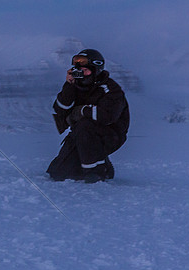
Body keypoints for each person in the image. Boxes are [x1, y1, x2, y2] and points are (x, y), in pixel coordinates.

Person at [46, 48, 129, 183]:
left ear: (96, 70)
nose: (81, 74)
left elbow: (107, 116)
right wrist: (69, 85)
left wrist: (82, 111)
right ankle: (100, 163)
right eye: (78, 70)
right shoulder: (76, 86)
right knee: (58, 173)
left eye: (85, 70)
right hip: (81, 133)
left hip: (111, 135)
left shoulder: (110, 89)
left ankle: (97, 171)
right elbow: (61, 109)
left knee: (85, 125)